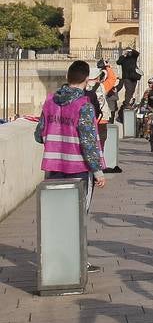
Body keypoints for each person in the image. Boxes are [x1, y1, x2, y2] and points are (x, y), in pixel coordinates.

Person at [35, 60, 106, 213]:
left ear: (68, 77)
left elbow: (39, 135)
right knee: (77, 214)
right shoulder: (84, 105)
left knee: (56, 212)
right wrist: (98, 171)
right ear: (87, 79)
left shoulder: (49, 102)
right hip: (78, 167)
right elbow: (88, 142)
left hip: (53, 166)